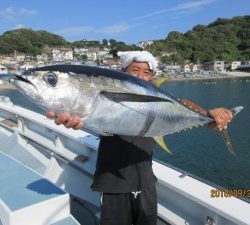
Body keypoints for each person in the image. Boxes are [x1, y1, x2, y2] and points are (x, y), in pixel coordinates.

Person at [46, 51, 233, 225]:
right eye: (135, 70)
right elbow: (93, 112)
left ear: (151, 78)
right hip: (113, 184)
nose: (141, 76)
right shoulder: (109, 98)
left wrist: (207, 114)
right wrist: (73, 114)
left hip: (146, 183)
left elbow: (182, 104)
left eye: (146, 72)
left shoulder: (157, 102)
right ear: (123, 74)